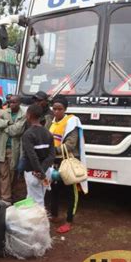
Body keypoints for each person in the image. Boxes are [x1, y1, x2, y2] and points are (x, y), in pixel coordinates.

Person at [48, 95, 87, 234]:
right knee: (54, 189)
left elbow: (70, 144)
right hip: (55, 161)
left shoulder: (72, 122)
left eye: (60, 109)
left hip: (68, 161)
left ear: (65, 109)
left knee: (71, 192)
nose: (57, 111)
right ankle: (54, 215)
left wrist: (51, 150)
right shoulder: (52, 122)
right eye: (55, 108)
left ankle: (69, 221)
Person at [21, 104, 55, 207]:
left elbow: (32, 156)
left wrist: (39, 171)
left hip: (33, 172)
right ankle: (31, 221)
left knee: (37, 202)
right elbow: (51, 155)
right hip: (45, 172)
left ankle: (39, 222)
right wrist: (43, 171)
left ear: (29, 115)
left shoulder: (28, 134)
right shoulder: (48, 133)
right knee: (35, 198)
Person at [0, 95, 26, 204]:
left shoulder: (23, 114)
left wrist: (4, 128)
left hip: (15, 150)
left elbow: (17, 130)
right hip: (2, 148)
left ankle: (12, 194)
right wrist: (7, 123)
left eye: (14, 102)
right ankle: (6, 198)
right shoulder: (4, 112)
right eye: (10, 102)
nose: (11, 104)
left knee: (13, 173)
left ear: (19, 103)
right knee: (4, 174)